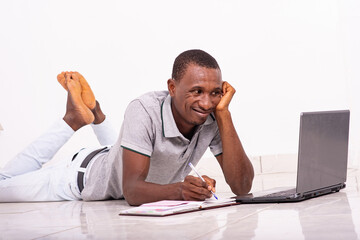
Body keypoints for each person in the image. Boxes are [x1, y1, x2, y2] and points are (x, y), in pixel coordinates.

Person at [0, 49, 254, 205]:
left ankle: (96, 113)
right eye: (196, 91)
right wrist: (180, 189)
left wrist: (224, 115)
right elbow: (131, 191)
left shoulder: (212, 115)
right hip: (78, 176)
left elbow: (242, 187)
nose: (207, 102)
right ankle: (73, 120)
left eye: (215, 93)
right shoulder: (143, 109)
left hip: (116, 156)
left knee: (116, 153)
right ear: (172, 87)